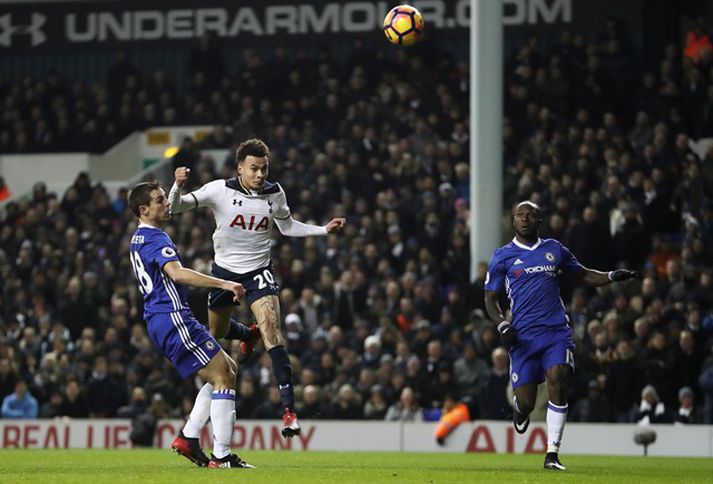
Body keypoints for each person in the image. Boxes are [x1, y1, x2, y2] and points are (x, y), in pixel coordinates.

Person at [169, 138, 346, 437]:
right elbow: (177, 207)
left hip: (258, 273)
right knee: (220, 333)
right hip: (224, 274)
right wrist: (177, 187)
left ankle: (289, 411)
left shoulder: (274, 193)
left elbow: (286, 226)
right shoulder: (219, 190)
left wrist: (322, 230)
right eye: (254, 169)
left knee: (273, 333)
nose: (260, 174)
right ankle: (247, 333)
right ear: (240, 168)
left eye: (264, 168)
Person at [484, 201, 637, 471]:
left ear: (539, 221)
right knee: (528, 402)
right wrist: (501, 325)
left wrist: (611, 276)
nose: (525, 218)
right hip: (522, 338)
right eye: (520, 214)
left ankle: (552, 454)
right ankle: (520, 410)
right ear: (513, 221)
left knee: (558, 377)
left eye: (531, 215)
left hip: (556, 332)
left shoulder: (554, 249)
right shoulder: (503, 256)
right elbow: (490, 298)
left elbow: (584, 275)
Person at [128, 181, 253, 468]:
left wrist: (177, 185)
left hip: (163, 318)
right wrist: (223, 282)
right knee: (223, 375)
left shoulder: (138, 238)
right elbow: (179, 275)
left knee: (227, 370)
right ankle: (221, 455)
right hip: (172, 316)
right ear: (144, 209)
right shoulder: (156, 239)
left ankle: (189, 436)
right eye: (160, 200)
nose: (166, 203)